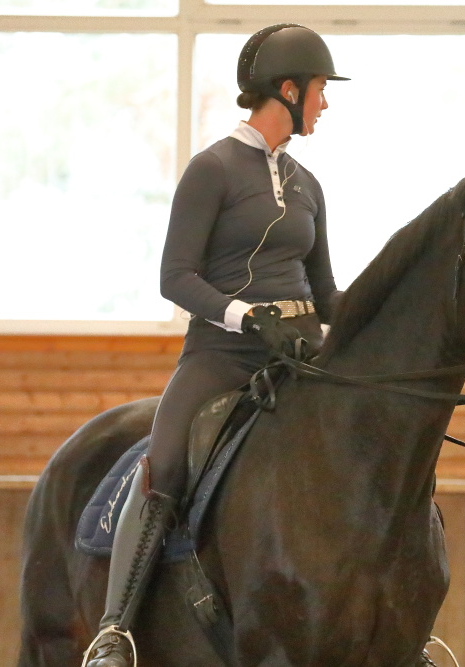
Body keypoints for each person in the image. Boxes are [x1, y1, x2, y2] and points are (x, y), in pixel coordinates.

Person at [83, 23, 348, 667]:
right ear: (286, 90)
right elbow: (175, 277)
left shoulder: (308, 182)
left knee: (369, 448)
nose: (325, 103)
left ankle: (398, 626)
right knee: (166, 461)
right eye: (318, 90)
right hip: (221, 354)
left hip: (300, 354)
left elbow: (328, 291)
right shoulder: (212, 170)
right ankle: (115, 629)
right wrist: (245, 317)